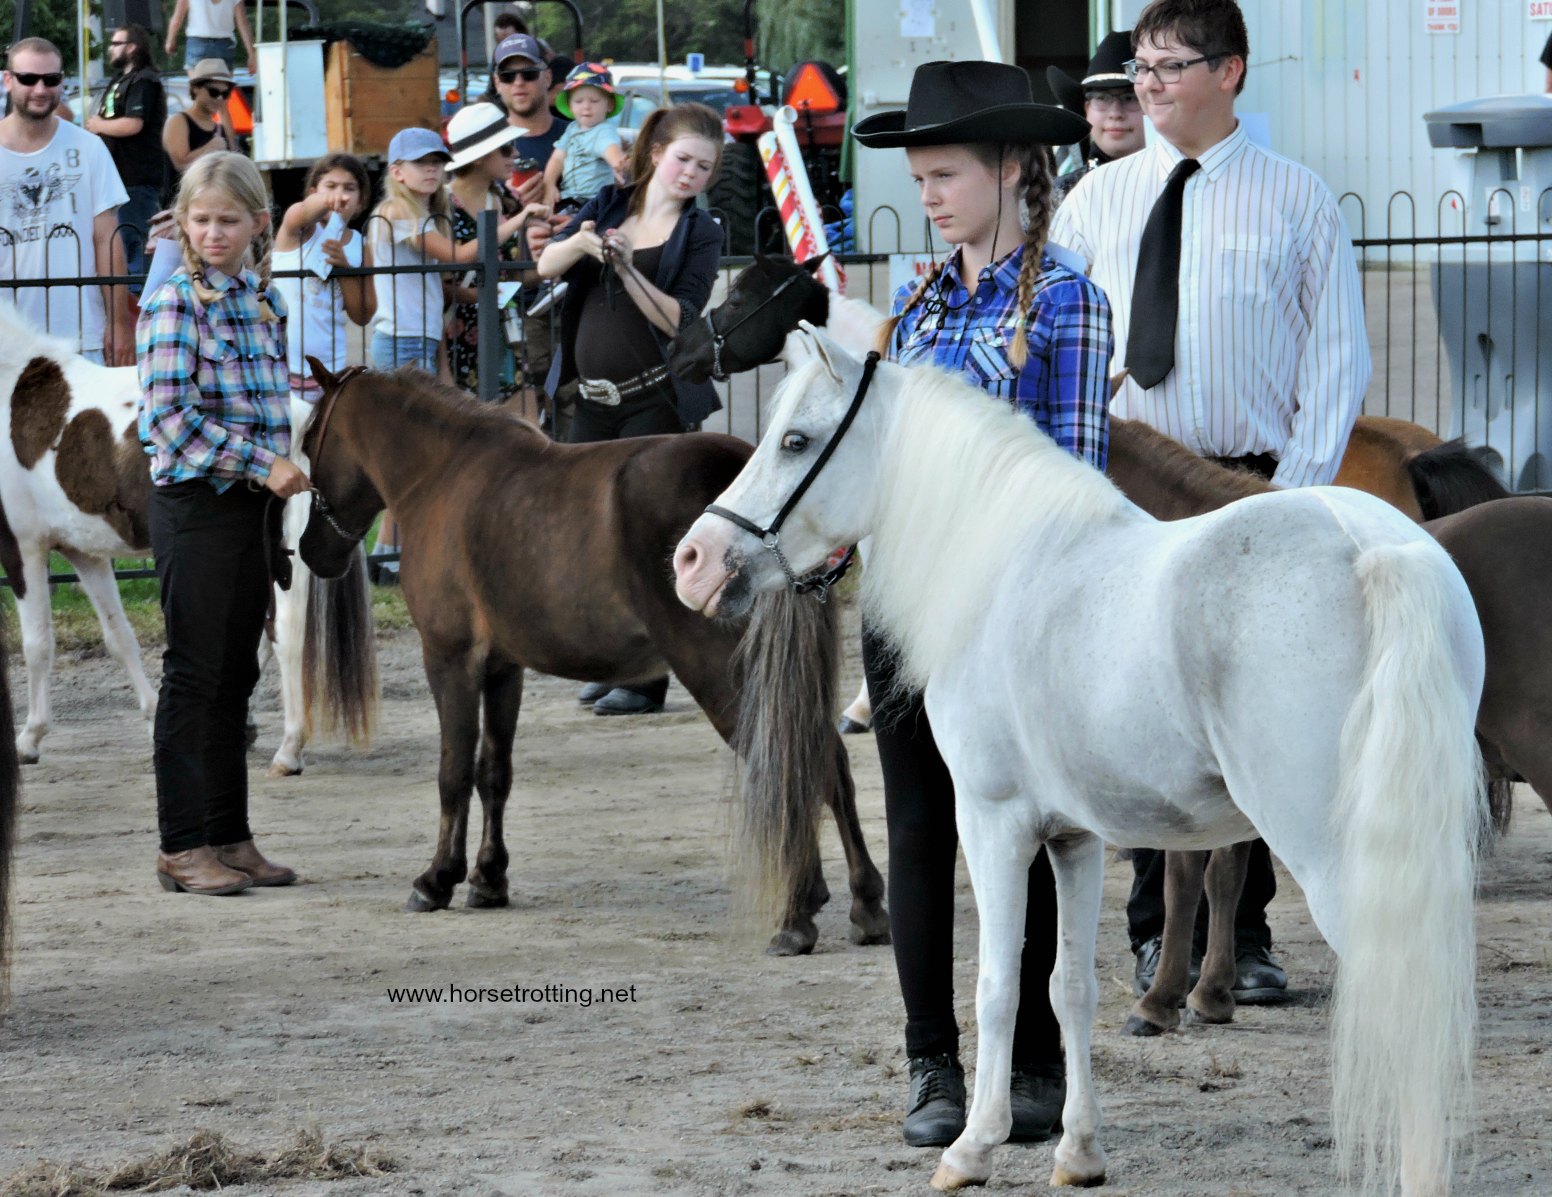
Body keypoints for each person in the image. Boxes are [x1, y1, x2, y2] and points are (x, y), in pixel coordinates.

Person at [1050, 0, 1371, 1006]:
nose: (1145, 83)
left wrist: (1295, 502)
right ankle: (1156, 936)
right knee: (1144, 711)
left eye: (1169, 65)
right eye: (1138, 67)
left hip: (1250, 488)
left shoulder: (1296, 199)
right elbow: (1065, 348)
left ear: (1229, 71)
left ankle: (1252, 935)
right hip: (1134, 495)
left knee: (1262, 710)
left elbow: (1335, 359)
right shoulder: (1094, 204)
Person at [849, 59, 1110, 1149]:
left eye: (947, 172)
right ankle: (932, 1066)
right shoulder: (911, 313)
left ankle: (1038, 1067)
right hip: (909, 606)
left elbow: (1076, 479)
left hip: (1019, 611)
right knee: (918, 830)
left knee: (1036, 825)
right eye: (919, 177)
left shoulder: (1065, 304)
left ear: (1012, 166)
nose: (931, 196)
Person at [137, 151, 309, 895]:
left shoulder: (259, 300)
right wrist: (260, 461)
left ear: (256, 225)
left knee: (237, 671)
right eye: (200, 220)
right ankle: (181, 843)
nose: (213, 232)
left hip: (249, 509)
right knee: (195, 672)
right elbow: (169, 421)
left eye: (227, 220)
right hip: (197, 506)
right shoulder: (175, 302)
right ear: (181, 223)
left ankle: (230, 835)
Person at [536, 102, 724, 716]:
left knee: (649, 543)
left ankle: (648, 679)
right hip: (592, 401)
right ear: (654, 155)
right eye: (683, 159)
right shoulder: (609, 206)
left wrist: (626, 268)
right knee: (589, 542)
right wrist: (585, 243)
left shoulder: (701, 232)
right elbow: (545, 264)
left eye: (704, 166)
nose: (691, 173)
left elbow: (682, 320)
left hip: (654, 402)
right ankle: (612, 659)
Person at [0, 37, 134, 364]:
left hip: (80, 335)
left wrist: (117, 324)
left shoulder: (89, 148)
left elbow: (107, 240)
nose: (41, 89)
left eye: (52, 79)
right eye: (28, 78)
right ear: (8, 80)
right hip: (8, 344)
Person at [491, 31, 577, 431]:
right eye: (508, 77)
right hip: (507, 297)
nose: (519, 84)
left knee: (573, 399)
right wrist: (513, 207)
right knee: (514, 415)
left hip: (572, 287)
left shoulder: (576, 136)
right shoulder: (485, 146)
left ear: (547, 77)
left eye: (527, 73)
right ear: (496, 84)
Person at [443, 102, 549, 403]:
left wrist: (554, 257)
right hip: (457, 336)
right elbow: (438, 281)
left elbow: (518, 275)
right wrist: (488, 296)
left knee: (525, 431)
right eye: (506, 148)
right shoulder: (442, 207)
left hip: (506, 331)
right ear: (478, 158)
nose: (515, 155)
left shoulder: (506, 200)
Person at [272, 153, 376, 400]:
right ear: (313, 192)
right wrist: (325, 202)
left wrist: (344, 269)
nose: (340, 195)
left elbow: (363, 314)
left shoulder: (360, 247)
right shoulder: (301, 230)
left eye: (349, 188)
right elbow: (300, 212)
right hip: (280, 363)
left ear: (360, 201)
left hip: (328, 368)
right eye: (330, 186)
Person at [86, 24, 166, 282]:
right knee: (118, 240)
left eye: (116, 43)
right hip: (117, 176)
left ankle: (137, 301)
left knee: (134, 241)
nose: (110, 49)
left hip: (137, 178)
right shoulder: (120, 79)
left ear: (132, 47)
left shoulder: (145, 81)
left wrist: (99, 125)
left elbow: (133, 123)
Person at [1047, 30, 1143, 203]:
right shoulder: (1057, 199)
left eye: (1130, 98)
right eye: (1101, 98)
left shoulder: (1182, 189)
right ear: (1087, 109)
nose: (1115, 113)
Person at [546, 62, 627, 213]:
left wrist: (619, 165)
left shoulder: (603, 131)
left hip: (594, 201)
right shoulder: (571, 129)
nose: (586, 106)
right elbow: (557, 158)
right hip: (569, 198)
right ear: (570, 105)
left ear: (609, 105)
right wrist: (549, 185)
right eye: (578, 101)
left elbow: (611, 149)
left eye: (594, 101)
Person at [163, 59, 238, 177]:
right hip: (185, 194)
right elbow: (180, 164)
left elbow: (234, 165)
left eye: (225, 94)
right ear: (195, 88)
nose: (219, 98)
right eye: (213, 92)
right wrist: (210, 148)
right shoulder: (179, 121)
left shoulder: (220, 128)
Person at [165, 0, 257, 75]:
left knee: (199, 93)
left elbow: (177, 19)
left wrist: (170, 41)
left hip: (198, 45)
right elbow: (243, 23)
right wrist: (251, 54)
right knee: (222, 94)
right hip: (225, 47)